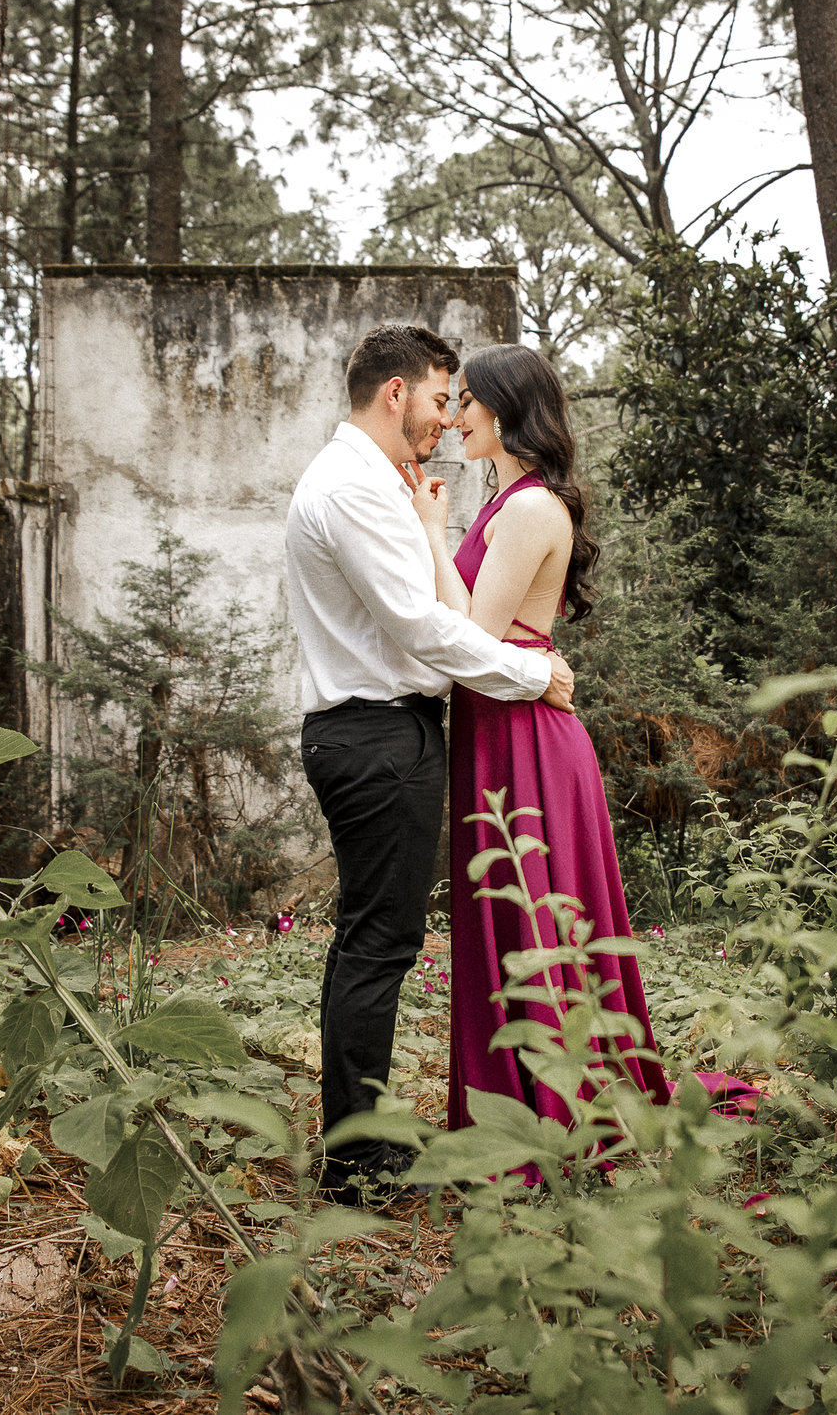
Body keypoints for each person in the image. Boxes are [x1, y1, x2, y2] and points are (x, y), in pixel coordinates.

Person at [283, 323, 578, 1207]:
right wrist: (534, 672)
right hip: (376, 737)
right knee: (380, 944)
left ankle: (356, 1142)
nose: (449, 421)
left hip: (384, 732)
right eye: (441, 400)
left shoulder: (373, 481)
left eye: (462, 404)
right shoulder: (352, 489)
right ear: (397, 393)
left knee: (374, 942)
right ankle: (359, 1162)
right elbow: (423, 627)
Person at [409, 342, 676, 1138]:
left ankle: (551, 1112)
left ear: (505, 410)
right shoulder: (511, 499)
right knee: (511, 912)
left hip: (525, 736)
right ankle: (519, 1105)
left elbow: (473, 631)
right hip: (501, 723)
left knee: (534, 916)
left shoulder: (527, 508)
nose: (454, 417)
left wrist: (429, 529)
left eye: (467, 403)